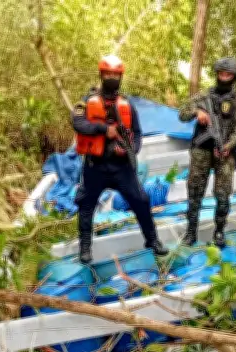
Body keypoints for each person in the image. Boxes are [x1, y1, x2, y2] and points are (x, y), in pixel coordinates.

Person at [71, 55, 168, 264]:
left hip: (122, 167)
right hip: (95, 165)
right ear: (101, 75)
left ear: (121, 77)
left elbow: (137, 133)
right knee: (86, 205)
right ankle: (85, 248)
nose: (112, 78)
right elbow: (78, 123)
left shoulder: (127, 104)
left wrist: (132, 149)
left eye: (116, 75)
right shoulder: (86, 101)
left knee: (141, 200)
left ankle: (152, 240)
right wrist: (103, 129)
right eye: (108, 74)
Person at [178, 57, 236, 247]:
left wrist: (229, 145)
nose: (224, 77)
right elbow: (182, 113)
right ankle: (191, 232)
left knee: (223, 195)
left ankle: (219, 232)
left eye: (228, 75)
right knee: (195, 191)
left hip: (225, 151)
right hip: (201, 150)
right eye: (221, 74)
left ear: (234, 77)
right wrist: (197, 112)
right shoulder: (204, 96)